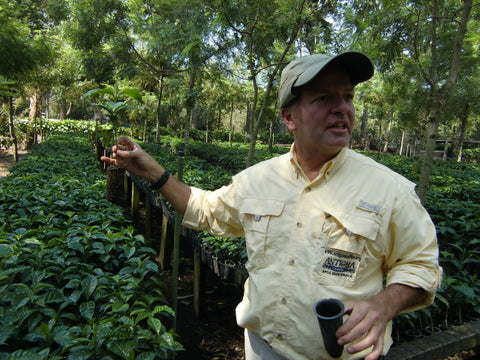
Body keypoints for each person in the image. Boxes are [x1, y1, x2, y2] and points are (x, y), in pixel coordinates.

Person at [101, 51, 442, 360]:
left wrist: (384, 305)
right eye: (324, 98)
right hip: (262, 350)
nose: (343, 108)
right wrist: (154, 172)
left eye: (348, 97)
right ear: (289, 117)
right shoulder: (259, 179)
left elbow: (421, 266)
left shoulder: (390, 190)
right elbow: (204, 209)